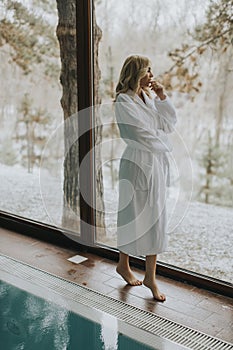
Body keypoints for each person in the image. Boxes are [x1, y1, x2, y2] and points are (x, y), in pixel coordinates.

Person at [114, 55, 177, 301]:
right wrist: (166, 145)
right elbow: (140, 133)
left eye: (151, 70)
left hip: (155, 164)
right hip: (136, 165)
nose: (151, 74)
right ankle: (124, 265)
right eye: (147, 70)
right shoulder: (124, 100)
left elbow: (167, 125)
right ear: (135, 73)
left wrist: (162, 97)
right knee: (131, 216)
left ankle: (150, 276)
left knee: (156, 217)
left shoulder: (148, 98)